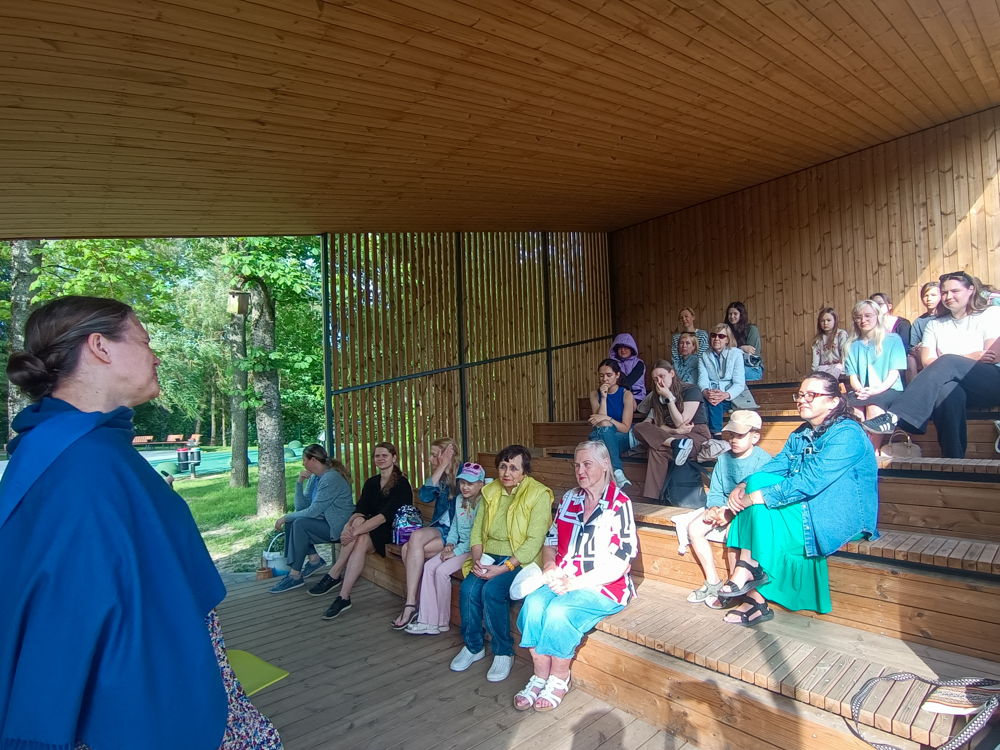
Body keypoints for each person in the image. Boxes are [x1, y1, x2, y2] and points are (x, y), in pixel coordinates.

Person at [0, 296, 280, 749]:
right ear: (100, 347)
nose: (155, 356)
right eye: (145, 341)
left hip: (166, 659)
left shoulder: (72, 447)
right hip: (142, 688)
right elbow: (69, 612)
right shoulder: (83, 463)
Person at [718, 371, 878, 625]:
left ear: (833, 401)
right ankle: (749, 573)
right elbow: (776, 467)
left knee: (757, 504)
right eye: (801, 395)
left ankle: (752, 587)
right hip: (808, 505)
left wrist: (753, 497)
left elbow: (810, 481)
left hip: (837, 516)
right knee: (757, 484)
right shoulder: (802, 433)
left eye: (811, 395)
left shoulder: (848, 435)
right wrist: (743, 484)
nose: (802, 400)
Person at [513, 441, 638, 712]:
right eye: (577, 465)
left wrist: (573, 583)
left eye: (587, 464)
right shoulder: (571, 498)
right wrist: (549, 566)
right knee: (533, 604)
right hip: (563, 577)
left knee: (558, 612)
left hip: (603, 586)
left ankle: (559, 678)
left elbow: (620, 564)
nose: (580, 471)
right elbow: (551, 540)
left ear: (605, 465)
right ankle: (540, 675)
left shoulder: (619, 504)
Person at [863, 272, 1000, 458]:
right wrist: (970, 356)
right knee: (947, 390)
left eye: (955, 291)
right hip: (957, 387)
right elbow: (928, 361)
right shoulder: (934, 325)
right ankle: (953, 460)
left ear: (971, 290)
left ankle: (896, 416)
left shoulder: (991, 314)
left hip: (990, 382)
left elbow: (992, 356)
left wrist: (950, 359)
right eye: (944, 292)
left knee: (948, 361)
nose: (948, 296)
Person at [450, 445, 553, 683]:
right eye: (503, 466)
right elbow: (477, 531)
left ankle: (503, 651)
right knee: (468, 589)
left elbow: (534, 541)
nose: (507, 473)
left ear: (525, 471)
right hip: (489, 554)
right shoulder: (490, 490)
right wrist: (477, 558)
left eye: (514, 468)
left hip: (520, 558)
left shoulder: (539, 494)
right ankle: (474, 646)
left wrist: (504, 568)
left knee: (492, 591)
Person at [309, 442, 413, 620]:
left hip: (392, 529)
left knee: (361, 535)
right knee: (358, 526)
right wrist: (347, 527)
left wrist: (354, 532)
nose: (380, 459)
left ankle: (336, 575)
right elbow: (360, 509)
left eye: (385, 455)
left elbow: (384, 517)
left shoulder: (401, 484)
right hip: (369, 527)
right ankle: (343, 596)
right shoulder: (372, 482)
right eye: (377, 456)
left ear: (394, 458)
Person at [679, 411, 771, 609]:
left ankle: (735, 584)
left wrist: (729, 514)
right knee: (694, 528)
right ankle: (712, 581)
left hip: (746, 511)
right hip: (723, 507)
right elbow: (716, 490)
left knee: (733, 533)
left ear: (755, 437)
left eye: (740, 435)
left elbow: (755, 498)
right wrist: (713, 508)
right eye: (731, 435)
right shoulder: (723, 458)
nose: (734, 440)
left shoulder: (764, 462)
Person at [406, 462, 485, 635]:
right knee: (428, 566)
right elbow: (455, 527)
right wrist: (449, 544)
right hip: (457, 546)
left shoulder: (483, 504)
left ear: (481, 484)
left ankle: (442, 621)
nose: (465, 487)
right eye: (462, 482)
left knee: (442, 572)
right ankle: (427, 620)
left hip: (472, 549)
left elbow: (476, 536)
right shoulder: (458, 500)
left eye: (470, 483)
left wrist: (454, 552)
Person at [392, 437, 460, 629]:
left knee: (407, 549)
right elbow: (424, 495)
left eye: (434, 455)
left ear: (448, 455)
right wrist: (441, 467)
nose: (430, 459)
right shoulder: (441, 477)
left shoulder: (465, 474)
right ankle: (414, 602)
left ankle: (412, 603)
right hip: (439, 527)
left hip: (456, 534)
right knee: (414, 539)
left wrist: (446, 465)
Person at [269, 444, 355, 594]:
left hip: (339, 527)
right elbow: (301, 507)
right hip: (324, 522)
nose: (303, 464)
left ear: (313, 460)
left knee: (300, 524)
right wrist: (299, 483)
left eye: (304, 460)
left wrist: (285, 517)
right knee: (293, 523)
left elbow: (313, 511)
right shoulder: (315, 478)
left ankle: (295, 575)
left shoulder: (331, 478)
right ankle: (313, 560)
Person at [632, 360, 710, 500]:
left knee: (656, 449)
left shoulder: (691, 390)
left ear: (672, 373)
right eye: (655, 379)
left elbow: (681, 422)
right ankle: (675, 444)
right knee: (639, 427)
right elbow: (659, 426)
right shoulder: (656, 397)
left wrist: (669, 398)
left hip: (695, 434)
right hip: (672, 436)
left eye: (662, 376)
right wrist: (676, 432)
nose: (659, 382)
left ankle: (653, 498)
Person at [844, 300, 907, 450]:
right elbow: (853, 377)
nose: (863, 320)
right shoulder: (851, 345)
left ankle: (872, 451)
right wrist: (860, 390)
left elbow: (893, 374)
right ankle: (858, 449)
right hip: (863, 390)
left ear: (877, 316)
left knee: (874, 405)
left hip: (889, 389)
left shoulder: (893, 340)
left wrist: (875, 391)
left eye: (868, 316)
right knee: (853, 408)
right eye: (858, 317)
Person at [588, 359, 636, 489]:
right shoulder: (594, 394)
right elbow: (599, 423)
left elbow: (625, 428)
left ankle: (601, 485)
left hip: (621, 436)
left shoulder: (626, 394)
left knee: (597, 444)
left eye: (609, 375)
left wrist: (608, 418)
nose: (605, 379)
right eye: (601, 375)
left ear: (617, 375)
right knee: (601, 433)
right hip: (603, 434)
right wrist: (604, 398)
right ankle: (618, 472)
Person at [698, 324, 747, 436]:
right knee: (709, 398)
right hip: (710, 394)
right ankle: (711, 434)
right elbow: (702, 379)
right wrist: (705, 392)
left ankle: (715, 435)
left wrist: (724, 394)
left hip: (731, 396)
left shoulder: (736, 354)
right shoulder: (704, 355)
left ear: (727, 340)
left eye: (721, 336)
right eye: (713, 335)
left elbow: (739, 383)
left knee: (715, 399)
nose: (716, 338)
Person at [906, 281, 941, 382]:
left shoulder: (947, 317)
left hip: (941, 354)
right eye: (925, 295)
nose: (929, 299)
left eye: (933, 295)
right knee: (910, 358)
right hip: (923, 357)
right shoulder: (919, 321)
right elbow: (912, 347)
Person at [725, 302, 764, 381]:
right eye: (730, 314)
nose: (732, 316)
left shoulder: (752, 330)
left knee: (732, 375)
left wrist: (733, 351)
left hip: (752, 368)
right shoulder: (725, 331)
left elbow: (752, 356)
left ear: (741, 315)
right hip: (731, 367)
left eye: (735, 314)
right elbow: (723, 353)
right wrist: (741, 348)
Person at [810, 307, 850, 378]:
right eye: (822, 321)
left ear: (835, 320)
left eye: (828, 320)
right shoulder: (818, 339)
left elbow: (845, 355)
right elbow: (815, 360)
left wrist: (843, 371)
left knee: (837, 369)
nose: (825, 323)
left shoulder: (841, 334)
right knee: (819, 370)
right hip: (824, 370)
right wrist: (814, 373)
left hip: (839, 369)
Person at [609, 333, 647, 401]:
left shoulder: (639, 363)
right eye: (620, 348)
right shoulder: (612, 364)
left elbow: (628, 382)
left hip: (637, 397)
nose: (623, 350)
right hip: (618, 396)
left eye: (626, 347)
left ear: (631, 349)